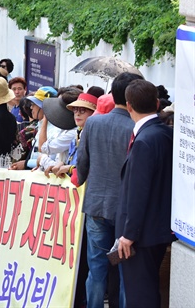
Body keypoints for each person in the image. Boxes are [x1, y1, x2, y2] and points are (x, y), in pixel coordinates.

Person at [75, 73, 142, 308]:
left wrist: (80, 179)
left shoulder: (93, 123)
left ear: (112, 94)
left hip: (95, 205)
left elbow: (82, 165)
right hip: (123, 211)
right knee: (125, 271)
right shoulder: (135, 127)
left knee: (96, 268)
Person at [115, 79, 174, 308]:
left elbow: (138, 192)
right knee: (147, 291)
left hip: (141, 234)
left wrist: (129, 234)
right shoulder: (165, 133)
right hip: (157, 228)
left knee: (140, 296)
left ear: (129, 106)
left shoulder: (145, 141)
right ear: (157, 103)